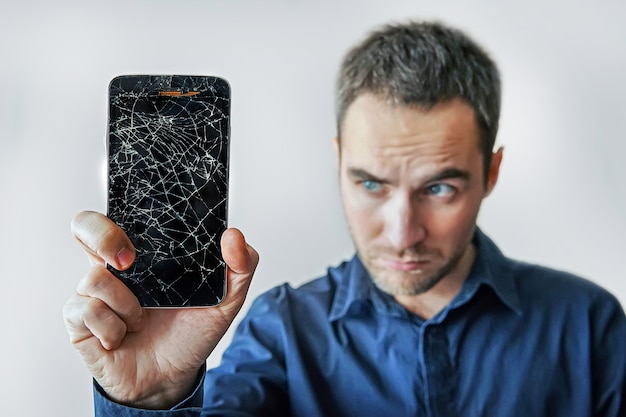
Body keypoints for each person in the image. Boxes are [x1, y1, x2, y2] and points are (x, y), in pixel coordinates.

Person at [63, 20, 626, 416]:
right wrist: (156, 398)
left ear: (492, 172)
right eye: (371, 184)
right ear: (338, 165)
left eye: (438, 187)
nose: (402, 231)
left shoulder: (589, 325)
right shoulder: (280, 335)